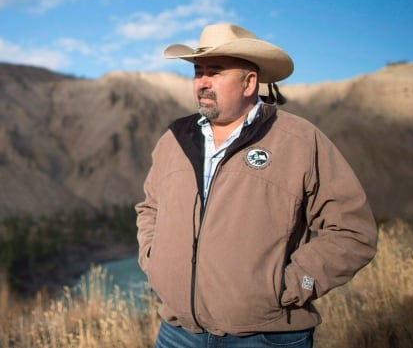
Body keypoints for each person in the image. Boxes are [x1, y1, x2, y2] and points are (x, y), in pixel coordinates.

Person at [135, 23, 377, 348]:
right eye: (198, 72)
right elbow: (150, 208)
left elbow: (352, 231)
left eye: (215, 72)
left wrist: (287, 285)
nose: (202, 82)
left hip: (266, 336)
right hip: (178, 333)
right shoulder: (173, 141)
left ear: (249, 82)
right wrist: (153, 260)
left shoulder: (299, 141)